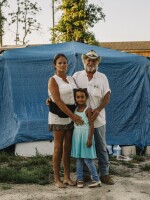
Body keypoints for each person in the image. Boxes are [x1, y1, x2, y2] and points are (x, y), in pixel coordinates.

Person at [73, 50, 114, 185]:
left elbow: (107, 96)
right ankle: (85, 175)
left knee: (101, 147)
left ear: (97, 62)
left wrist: (98, 109)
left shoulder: (102, 77)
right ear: (84, 61)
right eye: (88, 60)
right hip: (82, 122)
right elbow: (68, 93)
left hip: (99, 119)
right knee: (84, 146)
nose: (90, 62)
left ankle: (105, 174)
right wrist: (51, 99)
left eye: (94, 60)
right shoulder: (77, 76)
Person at [48, 53, 84, 188]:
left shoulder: (71, 78)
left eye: (64, 62)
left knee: (67, 147)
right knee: (58, 147)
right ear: (55, 65)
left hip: (70, 115)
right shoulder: (53, 80)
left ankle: (67, 177)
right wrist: (73, 116)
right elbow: (57, 100)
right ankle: (57, 178)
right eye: (60, 63)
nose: (63, 65)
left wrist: (76, 113)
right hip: (58, 115)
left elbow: (77, 95)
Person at [71, 88, 101, 188]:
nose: (80, 99)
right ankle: (80, 179)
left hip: (85, 137)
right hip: (77, 137)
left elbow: (91, 125)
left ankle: (97, 180)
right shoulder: (75, 109)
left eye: (82, 97)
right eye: (78, 97)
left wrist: (89, 139)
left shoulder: (88, 110)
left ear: (86, 97)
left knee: (88, 160)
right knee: (79, 159)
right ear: (75, 98)